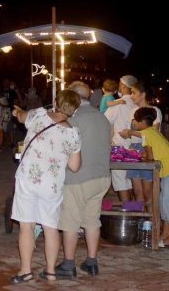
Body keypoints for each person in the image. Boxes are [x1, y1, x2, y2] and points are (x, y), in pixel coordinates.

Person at [9, 90, 81, 285]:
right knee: (50, 228)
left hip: (28, 179)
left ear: (56, 102)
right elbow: (75, 166)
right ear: (74, 109)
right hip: (52, 184)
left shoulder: (39, 115)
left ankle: (25, 271)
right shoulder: (72, 133)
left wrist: (17, 112)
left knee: (27, 225)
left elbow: (22, 116)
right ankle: (50, 271)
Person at [55, 82, 112, 279]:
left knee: (70, 221)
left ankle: (68, 264)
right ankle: (91, 262)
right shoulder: (102, 117)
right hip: (103, 177)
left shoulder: (74, 118)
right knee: (91, 219)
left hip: (79, 178)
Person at [131, 107, 169, 247]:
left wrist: (140, 157)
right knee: (163, 201)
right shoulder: (153, 131)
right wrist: (143, 156)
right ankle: (166, 234)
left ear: (142, 122)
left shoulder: (146, 133)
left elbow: (149, 157)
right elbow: (153, 154)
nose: (133, 123)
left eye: (135, 121)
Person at [104, 75, 138, 203]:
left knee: (121, 184)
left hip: (119, 147)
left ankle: (128, 216)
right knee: (132, 183)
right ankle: (134, 213)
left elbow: (104, 122)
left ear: (123, 86)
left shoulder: (117, 105)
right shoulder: (137, 104)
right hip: (135, 147)